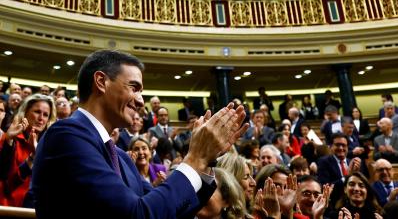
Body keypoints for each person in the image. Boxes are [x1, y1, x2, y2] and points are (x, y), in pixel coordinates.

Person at [32, 49, 248, 219]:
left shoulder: (122, 158)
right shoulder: (66, 135)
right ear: (101, 82)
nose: (140, 100)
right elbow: (137, 215)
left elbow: (166, 211)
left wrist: (206, 159)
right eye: (134, 87)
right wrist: (194, 158)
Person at [0, 94, 56, 207]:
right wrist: (9, 140)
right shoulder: (11, 139)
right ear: (25, 112)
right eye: (37, 112)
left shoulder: (50, 146)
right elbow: (7, 183)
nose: (41, 118)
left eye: (46, 115)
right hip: (11, 209)